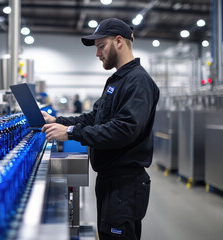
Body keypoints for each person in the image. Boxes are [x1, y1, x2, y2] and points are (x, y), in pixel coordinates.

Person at [41, 18, 160, 240]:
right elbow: (95, 117)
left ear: (119, 41)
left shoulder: (138, 82)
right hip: (110, 182)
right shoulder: (117, 81)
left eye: (101, 46)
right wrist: (57, 120)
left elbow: (123, 130)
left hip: (125, 186)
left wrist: (70, 133)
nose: (97, 54)